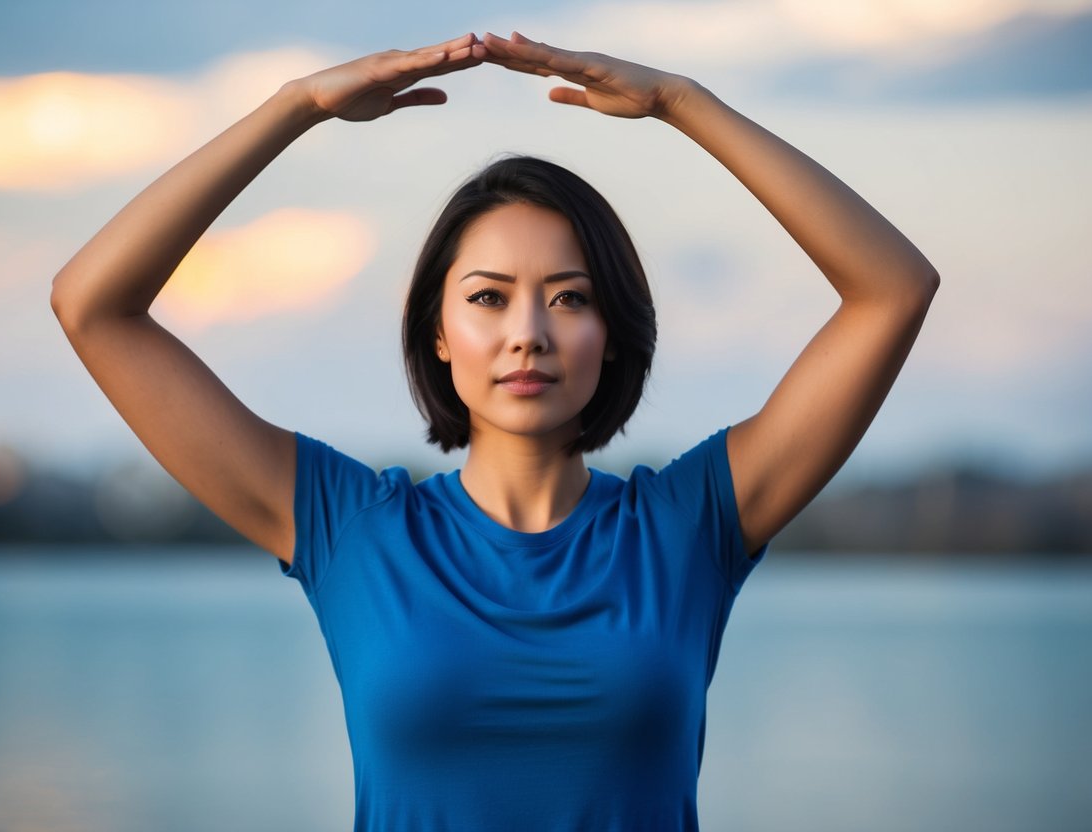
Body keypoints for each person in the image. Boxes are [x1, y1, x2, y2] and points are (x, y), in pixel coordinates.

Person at [51, 31, 938, 832]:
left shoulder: (691, 525)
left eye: (569, 297)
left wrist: (680, 103)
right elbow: (95, 307)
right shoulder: (347, 529)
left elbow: (892, 289)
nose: (529, 332)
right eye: (486, 297)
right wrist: (298, 107)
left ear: (612, 333)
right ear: (437, 334)